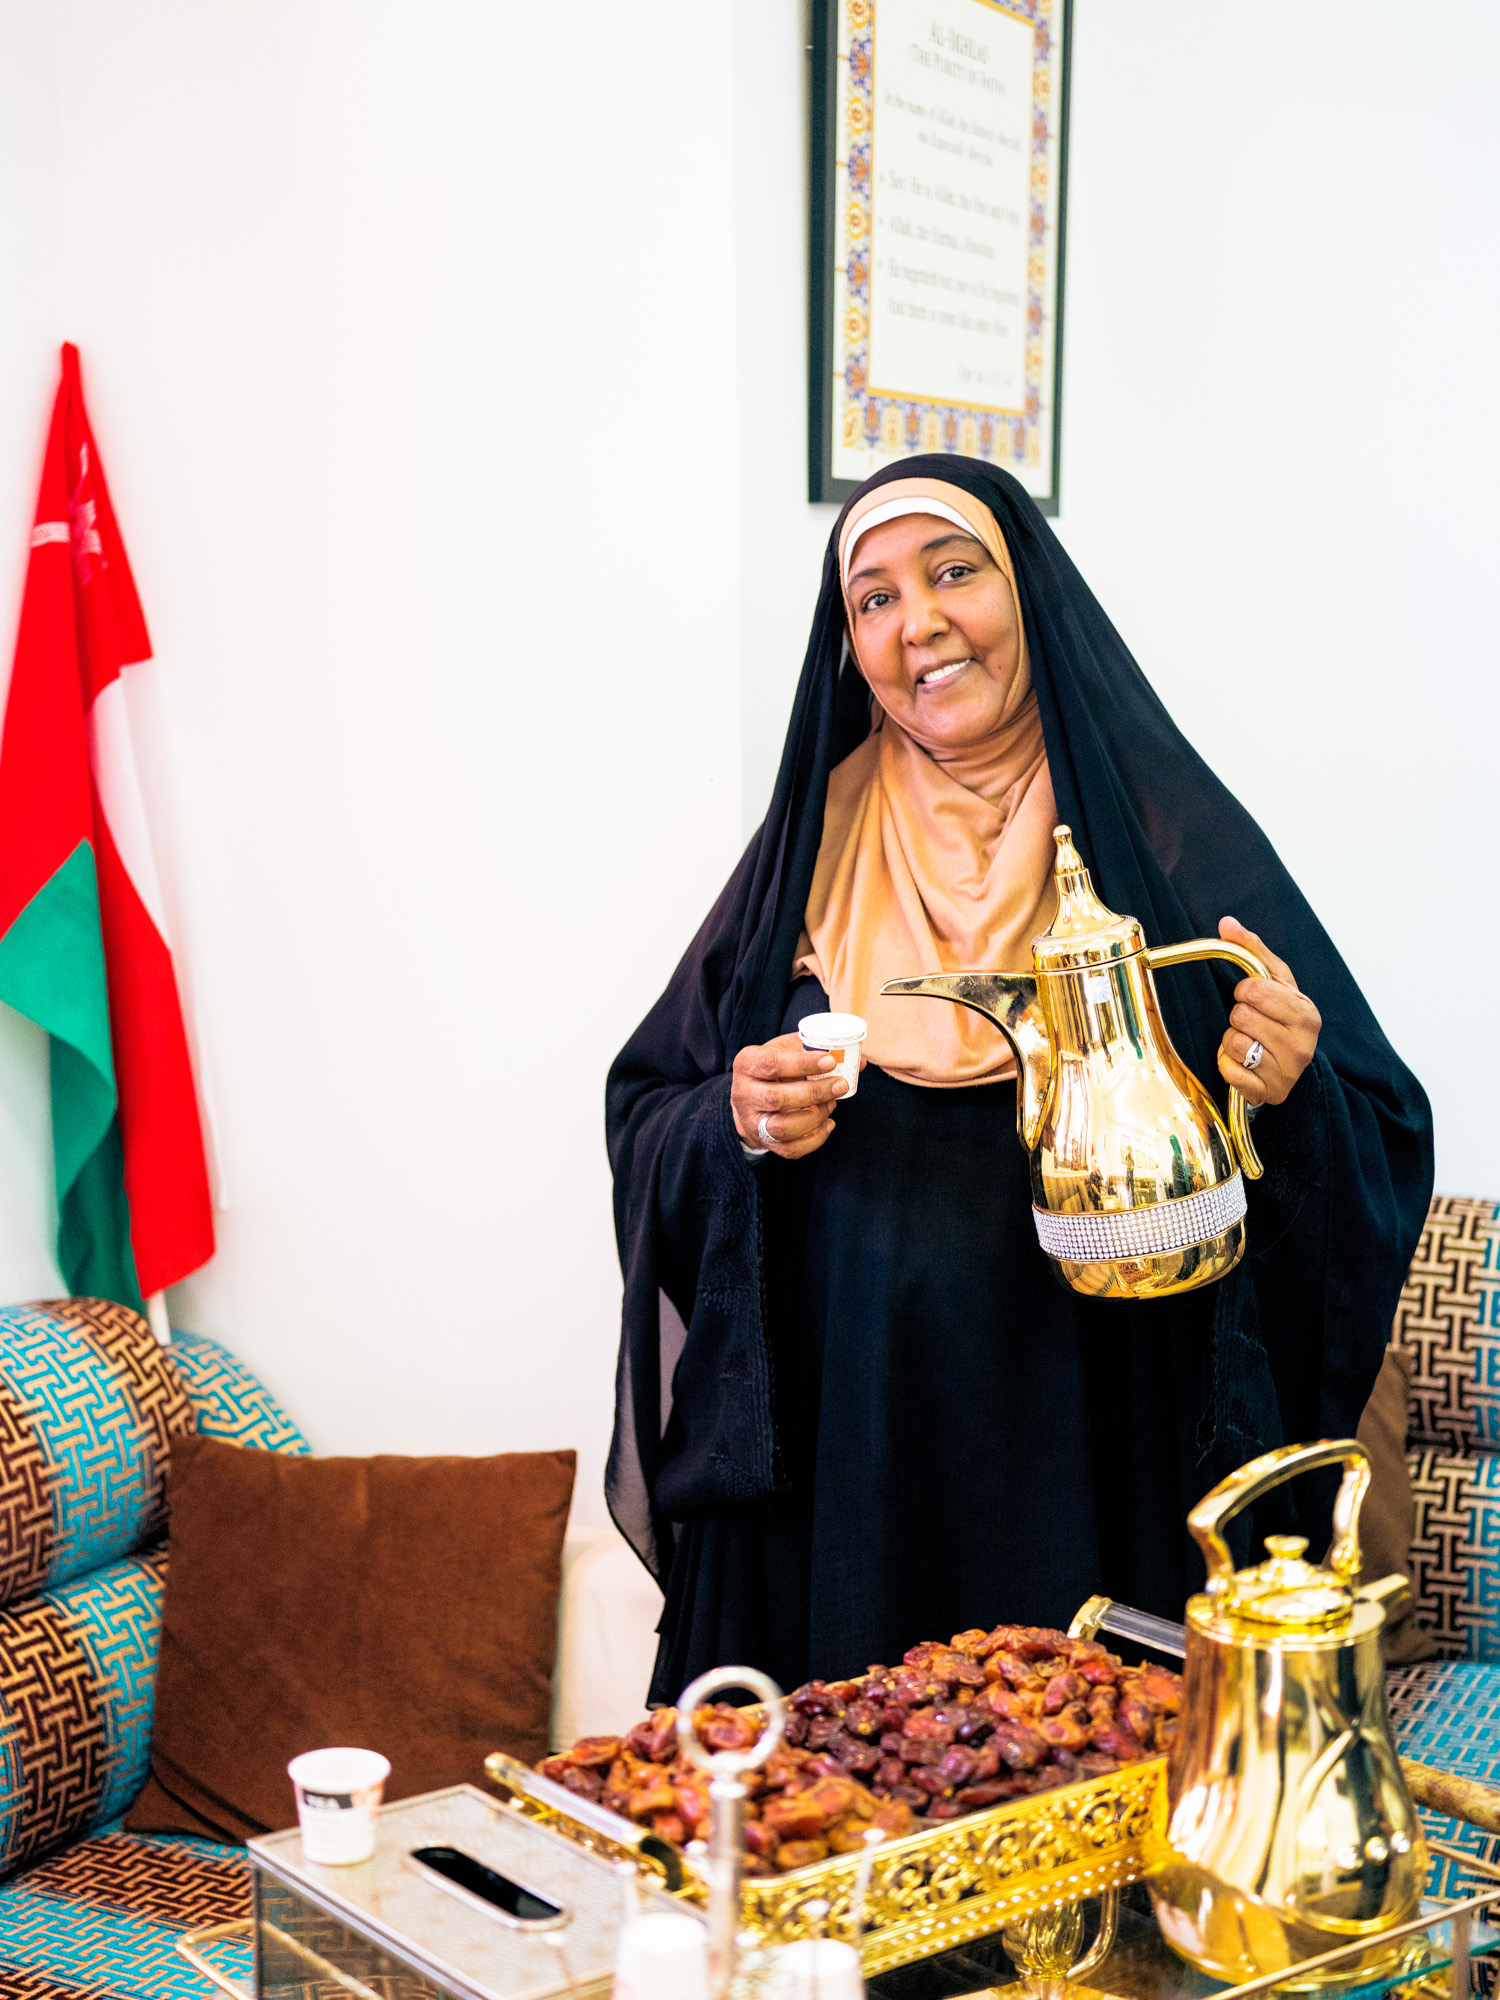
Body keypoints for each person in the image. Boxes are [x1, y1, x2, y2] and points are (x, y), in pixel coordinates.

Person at [606, 459, 1432, 1706]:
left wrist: (1290, 1084)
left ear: (1028, 593)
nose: (919, 622)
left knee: (1084, 1777)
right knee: (851, 1791)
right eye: (875, 598)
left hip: (1102, 1458)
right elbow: (647, 1110)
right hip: (846, 1470)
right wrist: (739, 1118)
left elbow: (1376, 1124)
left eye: (954, 572)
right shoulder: (808, 846)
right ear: (850, 644)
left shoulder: (1163, 835)